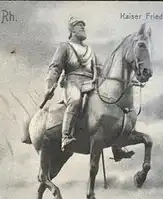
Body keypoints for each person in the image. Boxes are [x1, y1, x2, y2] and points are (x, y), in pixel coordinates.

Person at [44, 17, 135, 160]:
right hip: (72, 82)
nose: (83, 28)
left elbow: (100, 69)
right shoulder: (64, 47)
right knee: (75, 100)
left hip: (91, 84)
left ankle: (117, 147)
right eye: (80, 26)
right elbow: (55, 68)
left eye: (84, 26)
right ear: (72, 30)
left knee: (109, 105)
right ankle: (66, 136)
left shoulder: (89, 50)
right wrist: (50, 84)